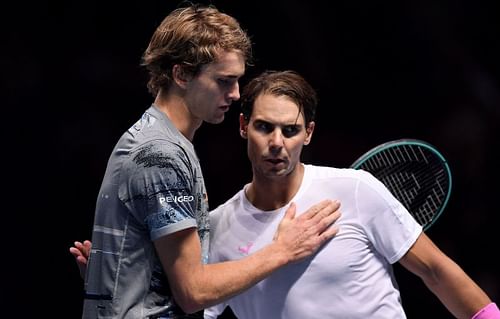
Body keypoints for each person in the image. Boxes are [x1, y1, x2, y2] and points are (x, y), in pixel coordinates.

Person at [71, 5, 342, 319]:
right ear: (182, 74)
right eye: (225, 81)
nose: (237, 93)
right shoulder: (160, 156)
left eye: (237, 81)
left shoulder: (157, 140)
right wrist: (283, 250)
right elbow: (193, 292)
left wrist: (128, 272)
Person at [202, 70, 499, 319]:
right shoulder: (217, 229)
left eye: (290, 130)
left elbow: (436, 270)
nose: (277, 142)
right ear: (243, 126)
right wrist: (278, 253)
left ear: (308, 133)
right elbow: (193, 305)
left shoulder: (355, 189)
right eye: (264, 127)